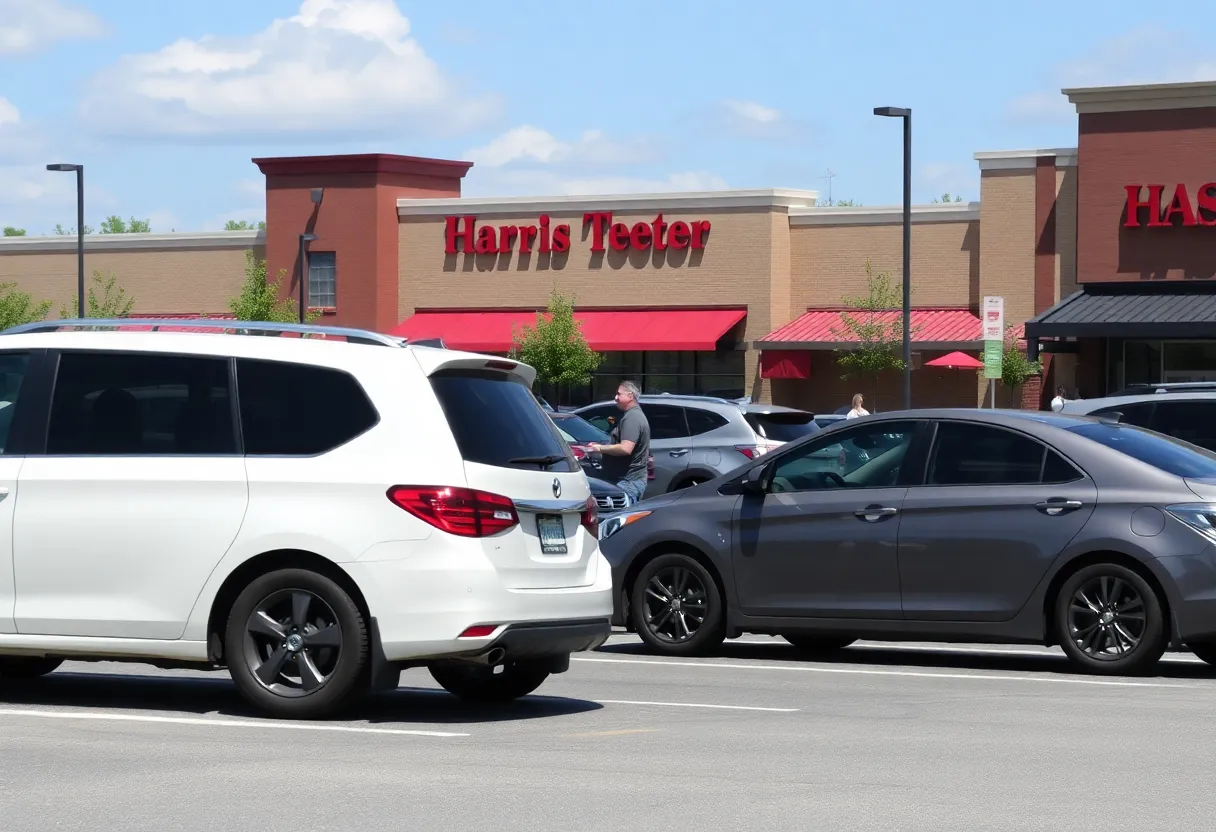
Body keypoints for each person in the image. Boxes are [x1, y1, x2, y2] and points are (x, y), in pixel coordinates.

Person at [588, 381, 651, 505]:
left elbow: (625, 448)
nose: (615, 398)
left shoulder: (632, 417)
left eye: (619, 394)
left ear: (630, 396)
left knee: (620, 522)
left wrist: (599, 448)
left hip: (627, 483)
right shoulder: (633, 415)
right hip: (628, 481)